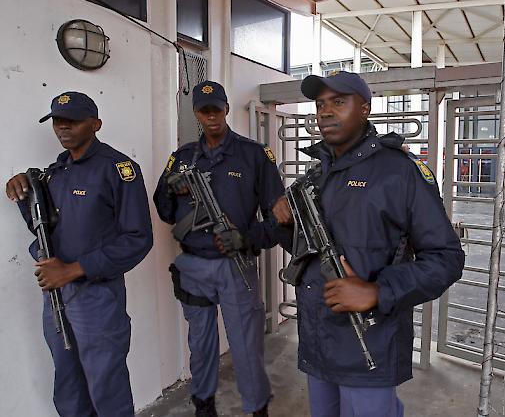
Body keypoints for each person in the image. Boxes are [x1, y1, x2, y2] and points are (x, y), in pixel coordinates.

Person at [272, 71, 465, 417]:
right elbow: (309, 252)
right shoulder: (317, 175)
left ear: (364, 108)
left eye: (339, 102)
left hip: (368, 347)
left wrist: (377, 291)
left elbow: (447, 258)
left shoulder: (400, 172)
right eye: (320, 104)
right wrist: (287, 222)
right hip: (318, 342)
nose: (326, 112)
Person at [5, 91, 153, 417]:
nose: (63, 127)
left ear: (96, 124)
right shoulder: (55, 173)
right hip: (56, 293)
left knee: (106, 385)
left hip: (96, 296)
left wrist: (74, 269)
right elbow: (43, 228)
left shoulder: (118, 169)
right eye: (57, 120)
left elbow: (138, 238)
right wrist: (22, 189)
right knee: (68, 381)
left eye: (72, 120)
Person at [153, 80, 288, 417]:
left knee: (245, 346)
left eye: (217, 109)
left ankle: (257, 408)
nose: (211, 116)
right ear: (197, 113)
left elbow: (280, 217)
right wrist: (173, 188)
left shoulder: (254, 155)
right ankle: (204, 404)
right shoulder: (182, 157)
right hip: (194, 267)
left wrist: (247, 238)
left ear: (226, 109)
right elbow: (164, 209)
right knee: (200, 343)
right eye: (204, 110)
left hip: (235, 266)